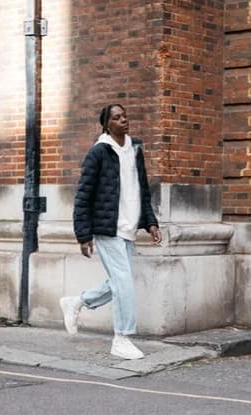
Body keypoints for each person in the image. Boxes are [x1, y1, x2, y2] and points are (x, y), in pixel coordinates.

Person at [60, 104, 162, 360]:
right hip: (108, 228)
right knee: (123, 282)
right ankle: (121, 339)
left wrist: (151, 222)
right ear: (107, 124)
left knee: (119, 281)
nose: (124, 120)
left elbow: (142, 189)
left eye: (125, 116)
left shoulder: (134, 149)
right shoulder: (98, 153)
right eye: (117, 118)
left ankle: (77, 302)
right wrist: (83, 235)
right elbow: (83, 195)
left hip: (129, 227)